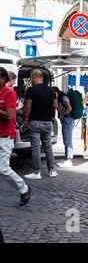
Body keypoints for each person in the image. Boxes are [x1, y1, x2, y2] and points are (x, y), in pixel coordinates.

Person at [0, 67, 31, 206]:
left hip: (6, 136)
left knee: (3, 169)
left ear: (3, 78)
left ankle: (24, 189)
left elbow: (9, 115)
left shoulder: (10, 93)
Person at [20, 69, 58, 179]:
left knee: (36, 148)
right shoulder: (52, 90)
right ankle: (52, 170)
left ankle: (37, 172)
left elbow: (27, 107)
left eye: (31, 78)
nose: (31, 80)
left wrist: (24, 120)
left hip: (35, 122)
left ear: (35, 77)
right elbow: (55, 105)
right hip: (47, 122)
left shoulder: (31, 90)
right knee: (48, 146)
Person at [54, 87, 74, 168]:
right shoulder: (60, 98)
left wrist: (62, 114)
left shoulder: (63, 97)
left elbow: (69, 108)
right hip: (66, 120)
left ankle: (69, 160)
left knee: (68, 140)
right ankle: (66, 159)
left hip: (68, 120)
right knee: (66, 139)